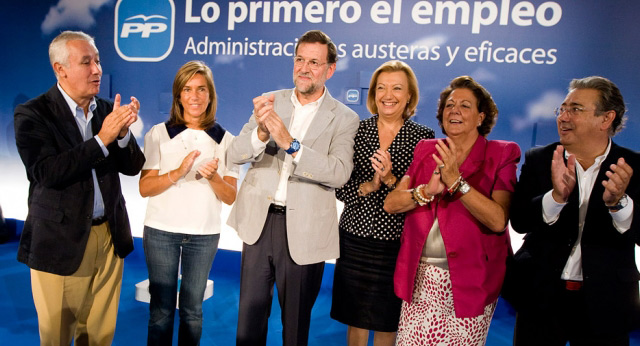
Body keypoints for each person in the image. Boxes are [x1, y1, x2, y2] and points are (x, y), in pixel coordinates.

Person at [227, 30, 359, 346]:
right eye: (299, 59)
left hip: (305, 231)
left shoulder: (345, 117)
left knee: (295, 328)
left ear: (329, 69)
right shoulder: (270, 101)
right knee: (248, 323)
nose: (304, 68)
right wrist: (260, 133)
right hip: (259, 223)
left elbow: (339, 173)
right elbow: (234, 154)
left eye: (314, 62)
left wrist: (291, 144)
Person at [13, 30, 145, 345]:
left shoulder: (104, 111)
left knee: (100, 334)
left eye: (97, 61)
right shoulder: (33, 114)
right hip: (60, 242)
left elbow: (132, 166)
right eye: (86, 62)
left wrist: (123, 134)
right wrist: (102, 140)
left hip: (109, 239)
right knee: (57, 337)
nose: (97, 70)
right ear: (61, 69)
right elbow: (47, 172)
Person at [503, 76, 640, 345]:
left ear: (606, 119)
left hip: (606, 302)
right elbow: (519, 222)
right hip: (540, 296)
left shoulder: (633, 167)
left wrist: (618, 203)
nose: (563, 117)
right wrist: (554, 198)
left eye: (575, 109)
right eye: (562, 109)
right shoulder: (540, 158)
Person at [384, 76, 520, 345]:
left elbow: (497, 221)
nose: (454, 110)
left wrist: (458, 183)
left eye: (465, 106)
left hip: (469, 280)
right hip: (420, 277)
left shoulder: (502, 154)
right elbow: (392, 203)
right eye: (449, 105)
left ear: (481, 117)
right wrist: (426, 192)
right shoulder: (426, 149)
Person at [330, 60, 434, 346]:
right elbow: (339, 189)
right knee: (356, 319)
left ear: (410, 95)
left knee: (388, 320)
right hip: (354, 240)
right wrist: (368, 186)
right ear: (373, 94)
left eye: (397, 88)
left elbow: (422, 196)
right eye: (381, 88)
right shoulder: (356, 130)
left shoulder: (423, 138)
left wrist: (389, 179)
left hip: (397, 244)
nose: (388, 95)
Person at [139, 61, 238, 345]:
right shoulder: (159, 133)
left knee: (193, 311)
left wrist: (213, 177)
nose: (194, 96)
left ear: (210, 95)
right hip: (160, 232)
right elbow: (145, 187)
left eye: (201, 89)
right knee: (160, 311)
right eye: (187, 89)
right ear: (178, 96)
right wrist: (177, 173)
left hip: (203, 235)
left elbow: (230, 196)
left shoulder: (226, 140)